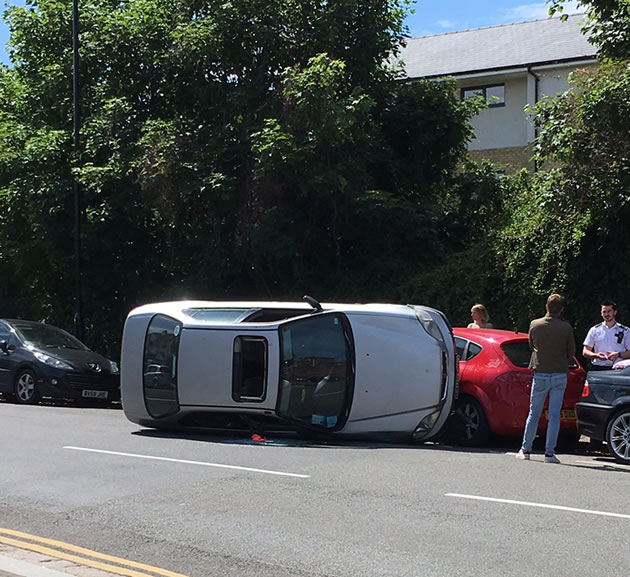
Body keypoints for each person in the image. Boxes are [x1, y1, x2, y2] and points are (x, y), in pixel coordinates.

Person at [516, 293, 576, 464]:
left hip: (540, 372)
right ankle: (550, 452)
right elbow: (571, 351)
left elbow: (531, 345)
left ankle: (526, 448)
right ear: (561, 309)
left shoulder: (535, 324)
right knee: (555, 414)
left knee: (534, 412)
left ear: (547, 307)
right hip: (559, 373)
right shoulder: (566, 327)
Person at [583, 300, 630, 370]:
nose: (606, 314)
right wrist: (596, 355)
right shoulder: (594, 330)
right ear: (601, 313)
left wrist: (618, 355)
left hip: (619, 369)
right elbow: (585, 351)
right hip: (598, 369)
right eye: (604, 312)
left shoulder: (625, 331)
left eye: (609, 311)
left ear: (615, 312)